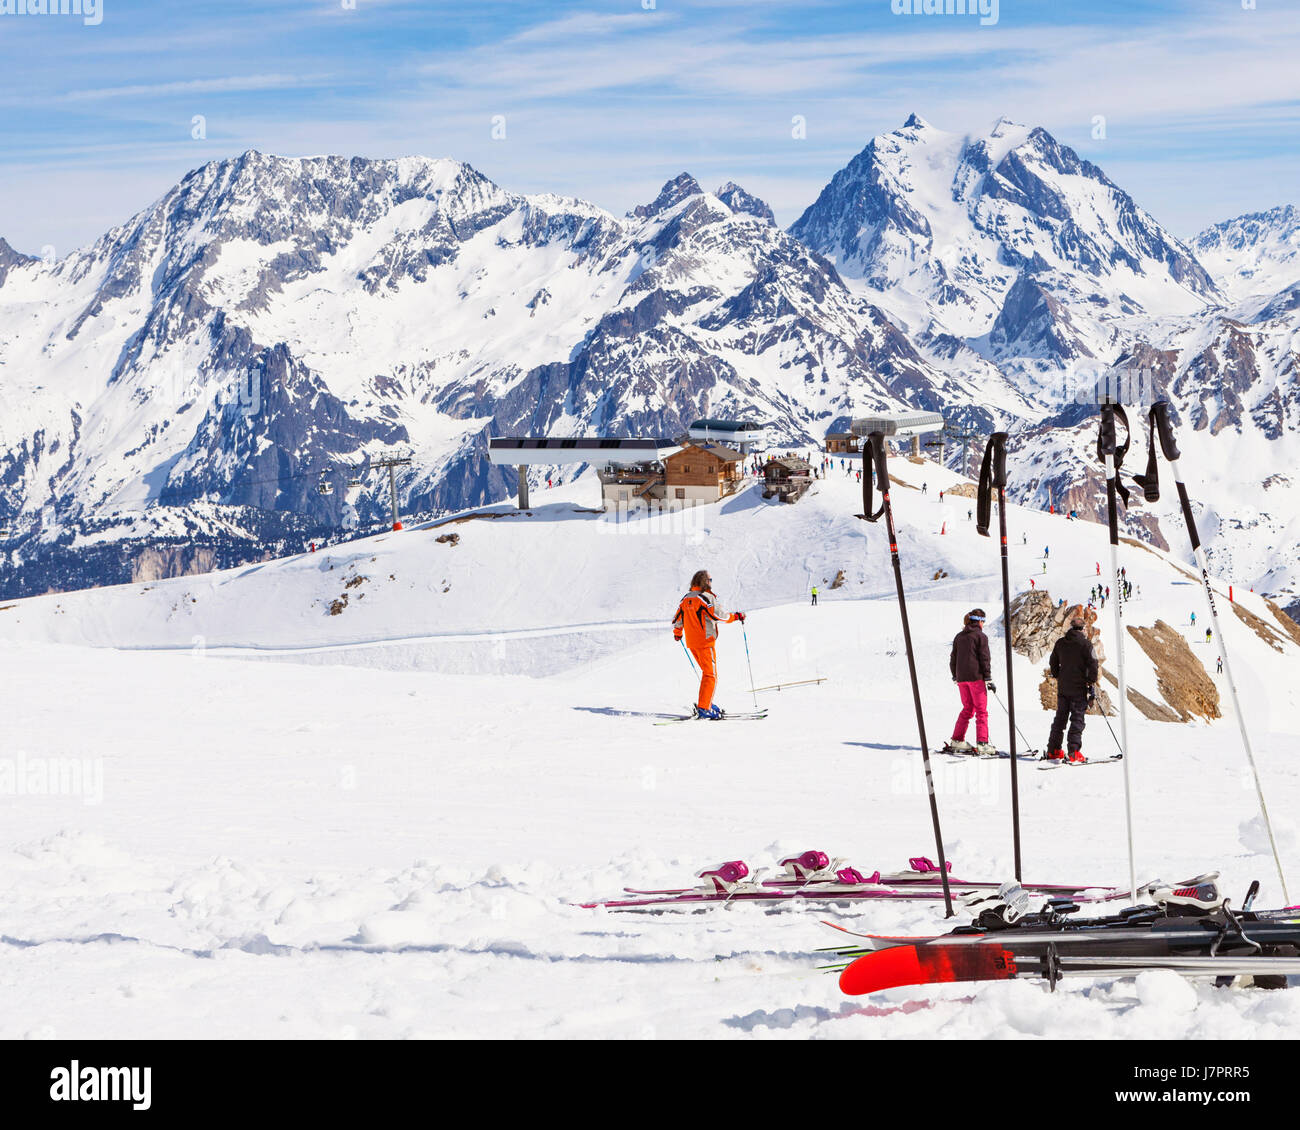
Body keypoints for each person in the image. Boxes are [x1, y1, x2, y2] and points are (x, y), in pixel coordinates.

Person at [672, 570, 745, 720]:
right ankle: (704, 708)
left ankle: (706, 703)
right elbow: (719, 615)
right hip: (705, 642)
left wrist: (678, 633)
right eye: (710, 579)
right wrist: (736, 616)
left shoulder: (685, 599)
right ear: (704, 581)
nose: (711, 582)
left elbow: (677, 619)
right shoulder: (705, 597)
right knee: (710, 675)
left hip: (692, 643)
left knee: (707, 674)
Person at [1045, 617, 1099, 763]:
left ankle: (1053, 750)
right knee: (1077, 719)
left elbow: (1053, 661)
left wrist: (1057, 675)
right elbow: (1094, 664)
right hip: (1079, 688)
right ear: (1082, 629)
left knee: (1060, 719)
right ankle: (1074, 752)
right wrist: (1090, 682)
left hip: (1064, 687)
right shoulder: (1086, 644)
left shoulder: (1061, 643)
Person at [948, 609, 995, 754]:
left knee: (968, 708)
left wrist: (955, 676)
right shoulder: (980, 636)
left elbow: (953, 659)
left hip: (961, 679)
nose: (983, 624)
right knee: (981, 711)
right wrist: (988, 678)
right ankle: (982, 743)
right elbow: (984, 658)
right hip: (976, 678)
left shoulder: (959, 637)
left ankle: (957, 740)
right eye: (983, 621)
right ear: (979, 621)